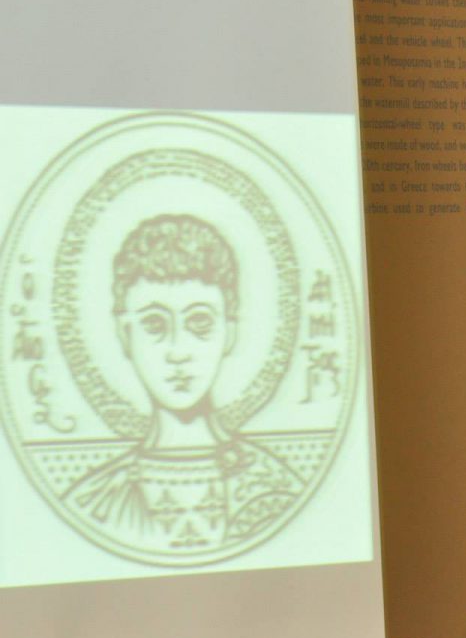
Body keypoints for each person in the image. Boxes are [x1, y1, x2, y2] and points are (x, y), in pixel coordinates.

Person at [66, 213, 304, 554]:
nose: (178, 352)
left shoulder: (275, 488)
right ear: (125, 334)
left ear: (229, 332)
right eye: (154, 325)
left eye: (200, 322)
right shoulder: (95, 502)